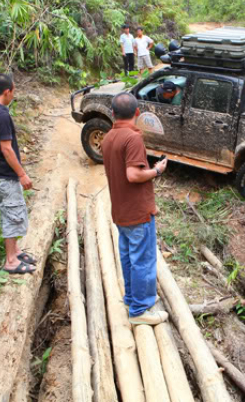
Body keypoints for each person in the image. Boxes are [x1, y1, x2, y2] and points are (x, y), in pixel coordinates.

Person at [101, 92, 169, 325]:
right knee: (143, 260)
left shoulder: (109, 137)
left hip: (120, 211)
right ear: (137, 113)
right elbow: (133, 174)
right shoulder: (132, 138)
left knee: (129, 258)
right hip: (137, 212)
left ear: (112, 114)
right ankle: (140, 311)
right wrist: (157, 170)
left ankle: (132, 298)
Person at [0, 74, 37, 274]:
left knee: (9, 212)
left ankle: (16, 250)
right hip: (5, 174)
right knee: (13, 215)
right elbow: (7, 148)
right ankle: (11, 260)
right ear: (7, 91)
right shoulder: (1, 115)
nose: (13, 95)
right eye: (13, 91)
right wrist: (21, 174)